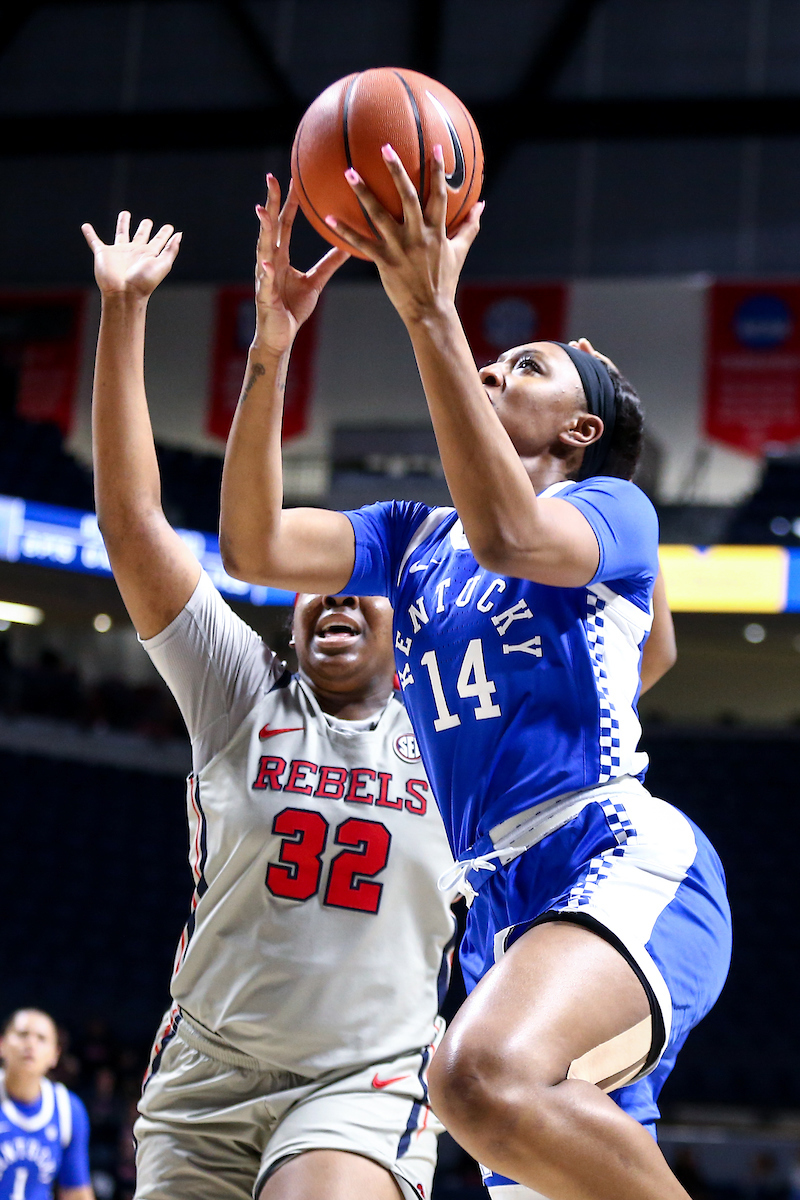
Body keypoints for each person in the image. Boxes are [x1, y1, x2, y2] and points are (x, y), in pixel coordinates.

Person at [216, 152, 730, 1200]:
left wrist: (427, 315)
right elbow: (253, 546)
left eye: (525, 366)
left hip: (612, 853)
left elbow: (506, 533)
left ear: (579, 433)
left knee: (477, 1076)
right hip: (494, 906)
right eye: (485, 362)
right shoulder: (409, 539)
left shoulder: (610, 514)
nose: (493, 370)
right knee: (504, 1113)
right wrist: (270, 350)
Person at [80, 212, 457, 1200]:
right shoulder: (237, 684)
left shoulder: (455, 726)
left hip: (362, 1078)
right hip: (205, 1078)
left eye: (359, 579)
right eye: (313, 579)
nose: (333, 595)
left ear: (405, 613)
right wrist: (125, 314)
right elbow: (130, 522)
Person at [0, 1009, 94, 1200]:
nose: (30, 1044)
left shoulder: (68, 1109)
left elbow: (76, 1192)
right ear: (2, 1044)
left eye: (41, 1038)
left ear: (55, 1055)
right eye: (22, 1034)